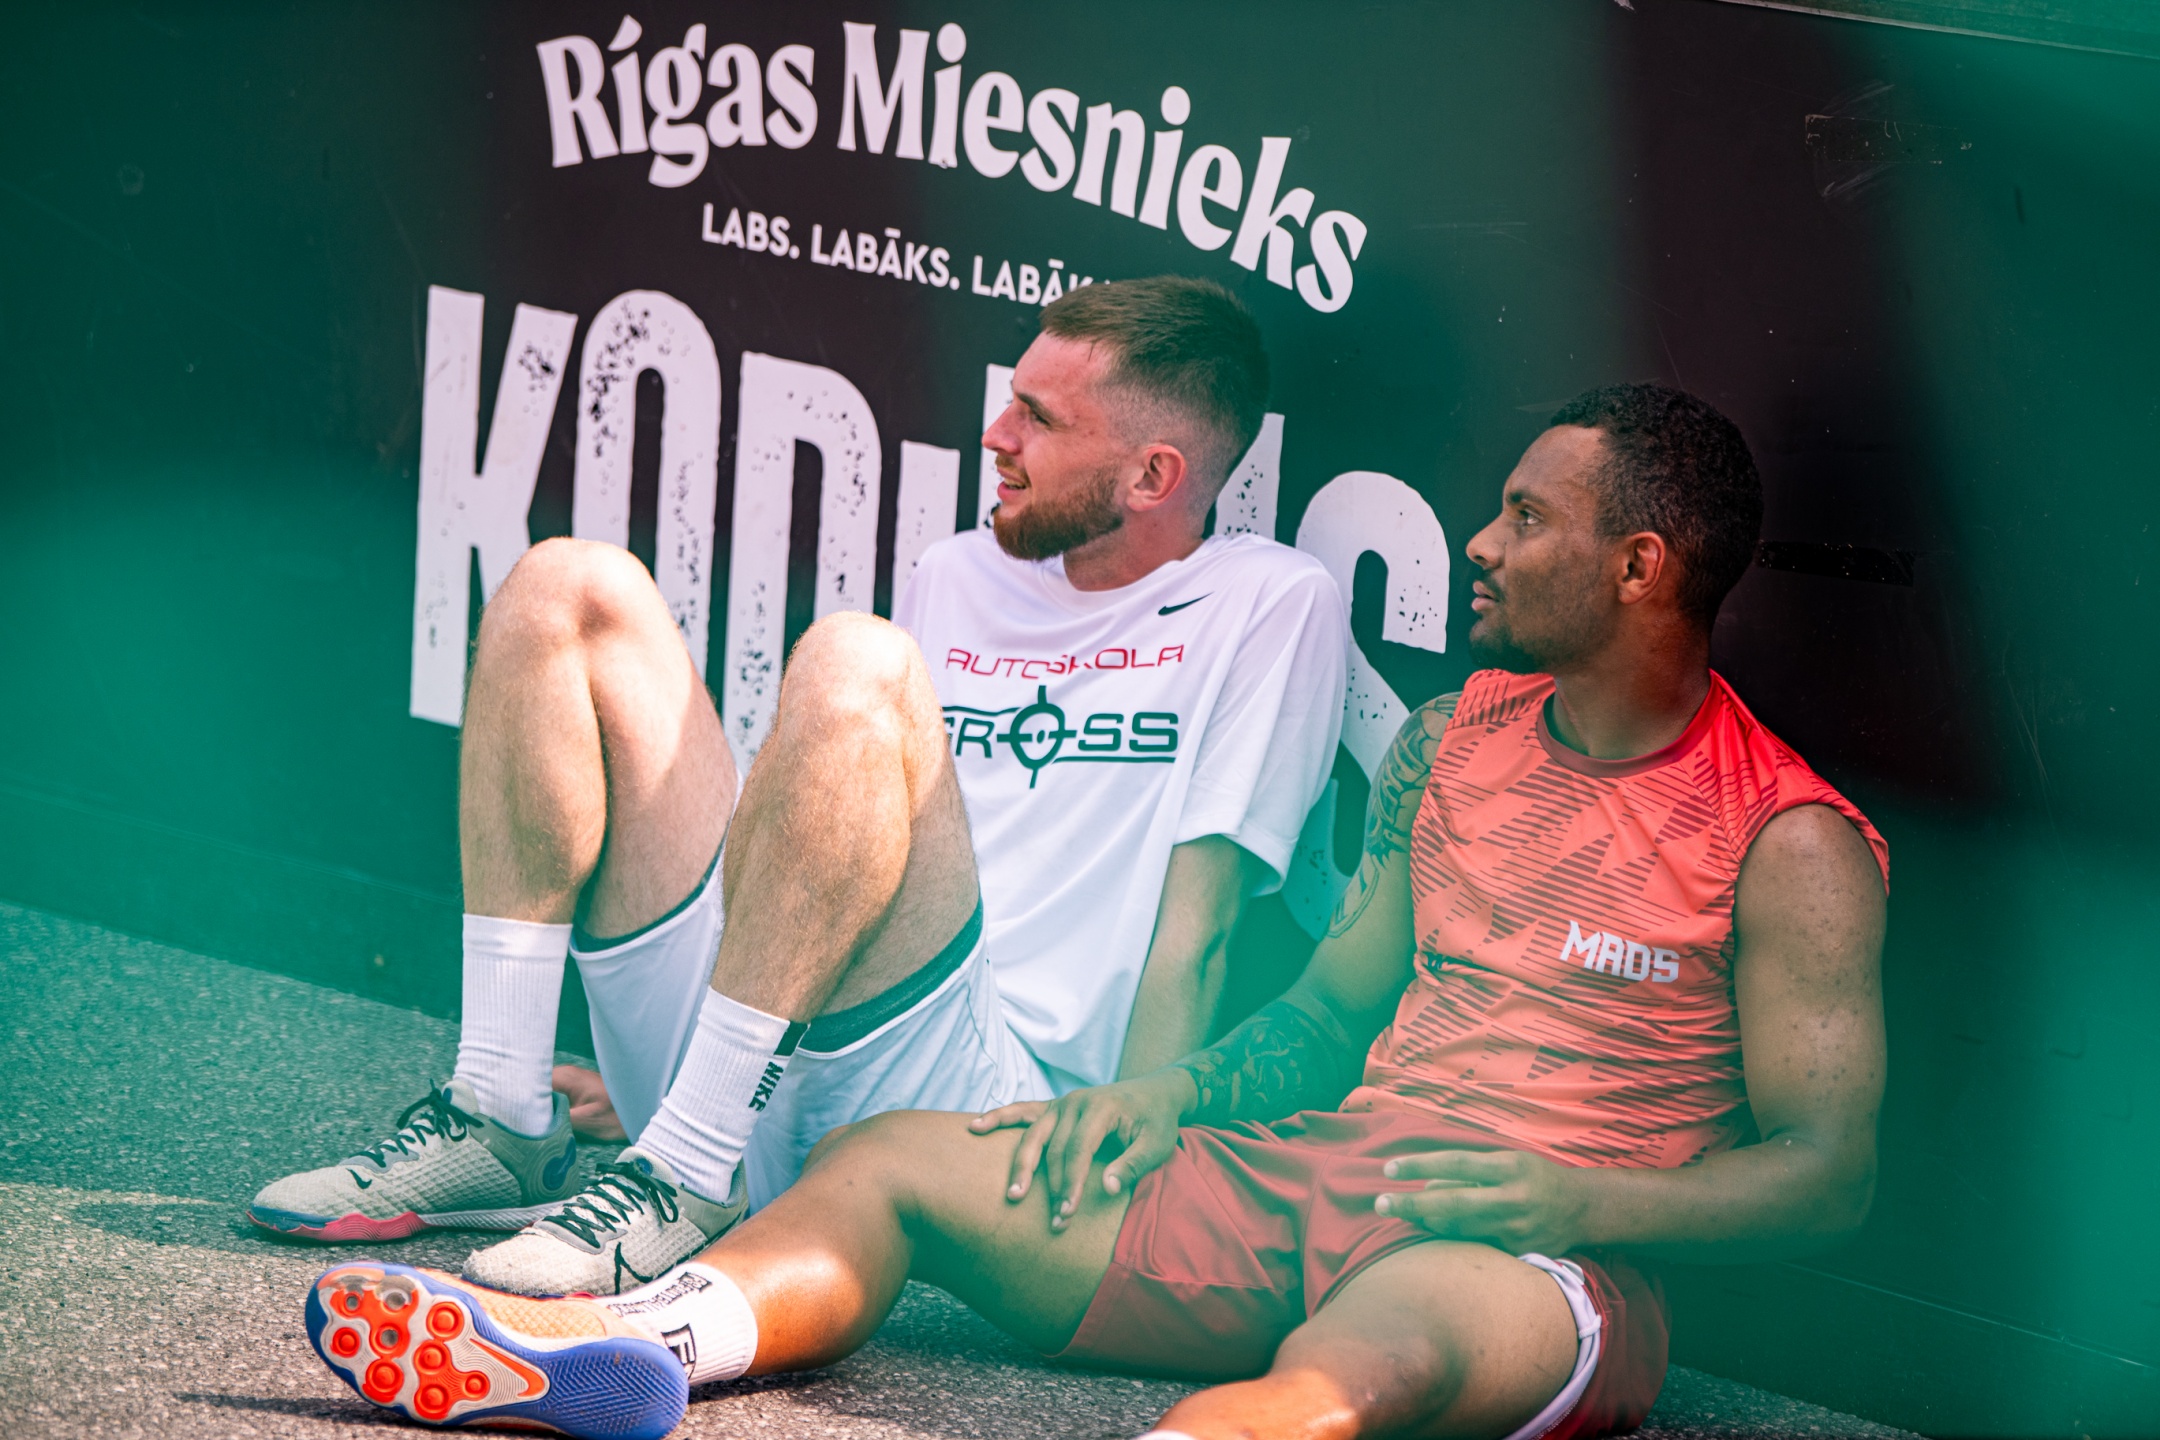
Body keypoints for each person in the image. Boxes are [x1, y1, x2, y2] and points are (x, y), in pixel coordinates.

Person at [299, 381, 1891, 1440]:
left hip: (1538, 1260)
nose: (1481, 541)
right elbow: (1333, 1010)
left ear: (1639, 566)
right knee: (895, 1163)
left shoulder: (1789, 836)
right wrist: (1163, 1100)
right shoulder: (1453, 736)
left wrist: (1574, 1198)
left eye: (1528, 519)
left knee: (1362, 1364)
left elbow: (1827, 1179)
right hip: (1317, 1176)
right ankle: (632, 1347)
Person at [248, 276, 1349, 1298]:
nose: (997, 437)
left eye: (1039, 419)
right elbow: (846, 841)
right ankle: (503, 1109)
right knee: (565, 587)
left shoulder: (1268, 602)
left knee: (858, 661)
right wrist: (668, 1078)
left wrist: (1119, 1212)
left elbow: (1199, 929)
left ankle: (687, 1170)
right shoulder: (959, 570)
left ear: (1153, 477)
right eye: (1009, 402)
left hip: (980, 1112)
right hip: (765, 1045)